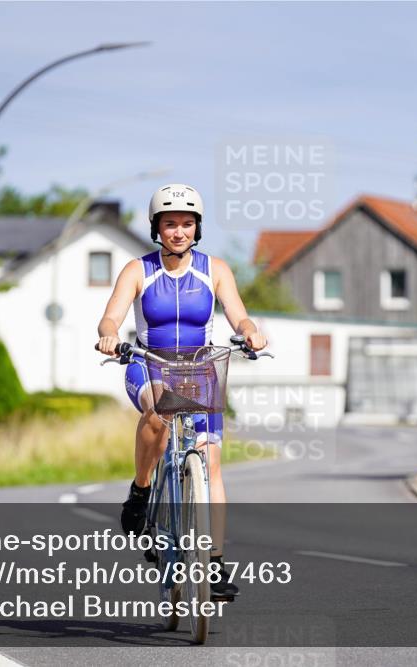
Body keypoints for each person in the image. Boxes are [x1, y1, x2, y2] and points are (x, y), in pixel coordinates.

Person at [96, 183, 267, 599]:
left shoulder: (216, 269)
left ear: (197, 228)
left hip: (199, 369)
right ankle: (140, 491)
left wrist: (251, 332)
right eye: (170, 223)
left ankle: (215, 563)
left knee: (211, 464)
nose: (178, 232)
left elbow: (239, 316)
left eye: (187, 224)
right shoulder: (138, 270)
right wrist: (109, 336)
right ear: (156, 228)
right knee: (158, 413)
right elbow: (110, 318)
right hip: (148, 363)